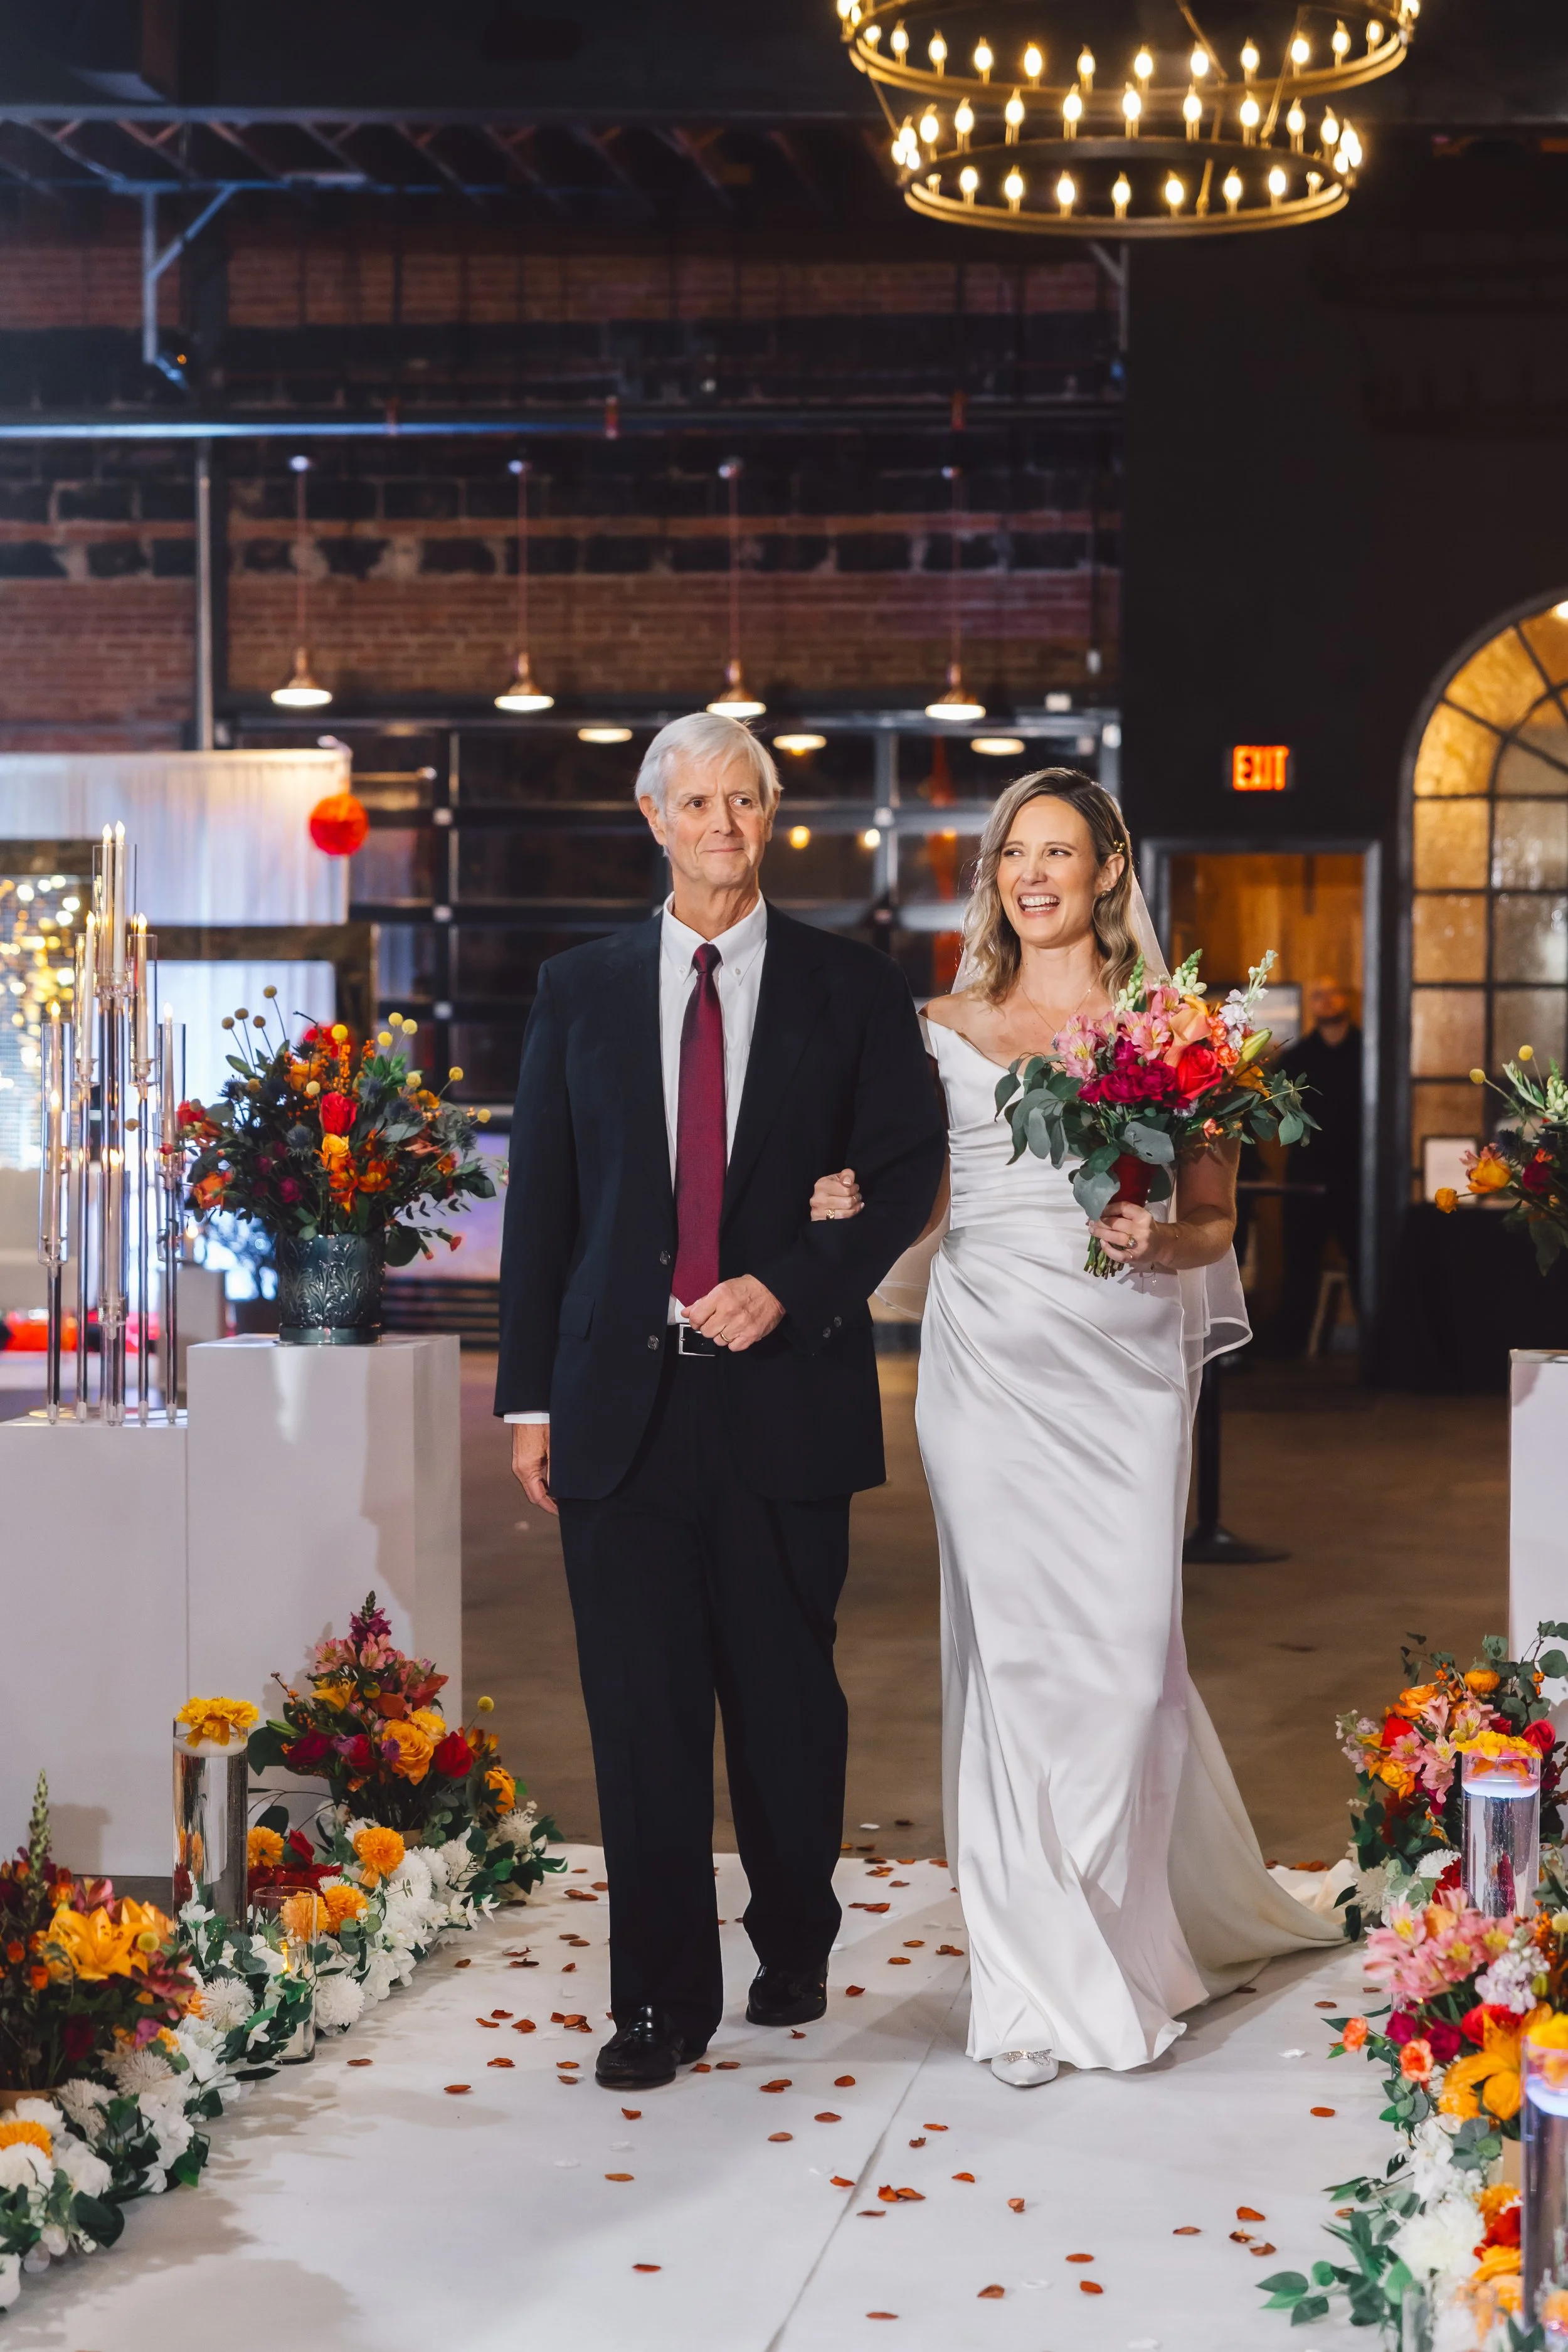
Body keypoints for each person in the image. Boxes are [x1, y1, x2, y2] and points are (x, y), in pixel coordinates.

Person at [812, 770, 1340, 2089]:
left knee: (1118, 1669)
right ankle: (1027, 1982)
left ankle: (1118, 1931)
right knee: (1013, 1671)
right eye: (1009, 855)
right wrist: (843, 1203)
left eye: (1056, 852)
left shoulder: (1174, 1030)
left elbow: (1217, 1221)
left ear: (1108, 868)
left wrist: (1160, 1233)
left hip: (1121, 1373)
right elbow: (926, 1204)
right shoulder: (938, 1022)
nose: (1030, 875)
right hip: (983, 1365)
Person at [495, 711, 946, 2094]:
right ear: (654, 819)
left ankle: (794, 1935)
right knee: (638, 1711)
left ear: (769, 820)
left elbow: (904, 1163)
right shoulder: (578, 989)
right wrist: (527, 1401)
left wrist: (797, 1283)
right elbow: (546, 1211)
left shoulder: (847, 989)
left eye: (744, 804)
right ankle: (654, 2004)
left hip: (783, 1402)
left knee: (784, 1700)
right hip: (616, 1406)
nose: (721, 828)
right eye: (696, 804)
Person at [1276, 975, 1363, 1355]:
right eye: (1318, 995)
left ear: (1346, 999)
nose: (1325, 1001)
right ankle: (1292, 1348)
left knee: (1366, 1261)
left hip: (1359, 1177)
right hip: (1307, 1176)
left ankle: (1375, 1344)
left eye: (1332, 993)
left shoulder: (1368, 1051)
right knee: (1299, 1264)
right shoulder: (1296, 1058)